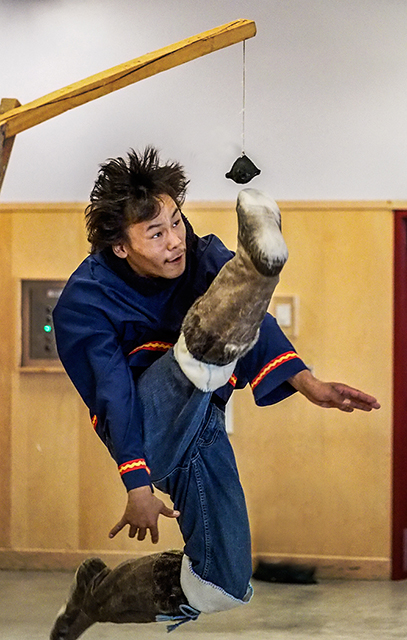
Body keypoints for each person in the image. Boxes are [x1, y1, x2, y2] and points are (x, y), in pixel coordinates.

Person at [50, 146, 380, 639]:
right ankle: (248, 279)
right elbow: (112, 393)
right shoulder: (85, 299)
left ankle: (95, 594)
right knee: (198, 350)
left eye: (177, 222)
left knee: (222, 584)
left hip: (202, 427)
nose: (175, 241)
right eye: (155, 233)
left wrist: (309, 383)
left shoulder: (202, 255)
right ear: (121, 246)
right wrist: (136, 483)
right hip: (149, 425)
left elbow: (258, 326)